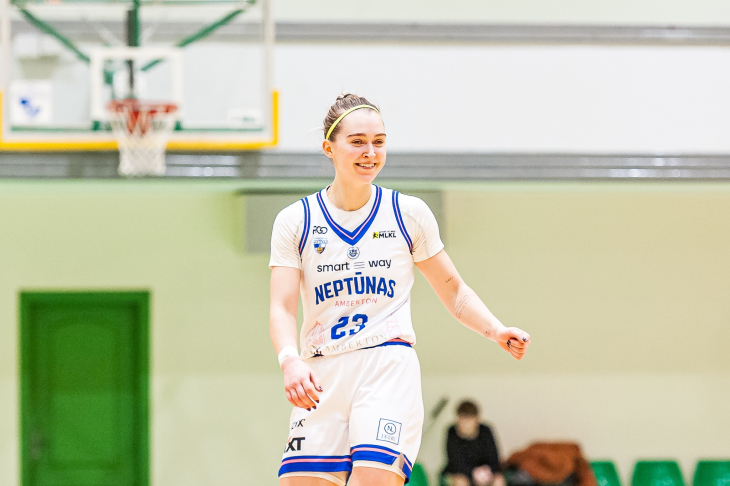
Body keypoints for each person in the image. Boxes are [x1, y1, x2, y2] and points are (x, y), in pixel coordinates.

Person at [269, 93, 531, 486]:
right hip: (321, 373)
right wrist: (290, 360)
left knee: (372, 480)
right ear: (329, 148)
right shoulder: (296, 220)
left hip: (385, 367)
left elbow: (454, 291)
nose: (370, 152)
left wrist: (495, 329)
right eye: (357, 141)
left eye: (379, 141)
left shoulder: (408, 214)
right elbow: (282, 307)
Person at [442, 400, 505, 486]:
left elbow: (494, 458)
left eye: (468, 420)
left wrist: (485, 473)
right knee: (460, 482)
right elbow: (455, 462)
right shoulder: (452, 432)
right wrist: (474, 474)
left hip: (485, 473)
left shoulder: (485, 431)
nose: (464, 424)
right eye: (461, 419)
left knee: (499, 480)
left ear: (476, 419)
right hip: (460, 474)